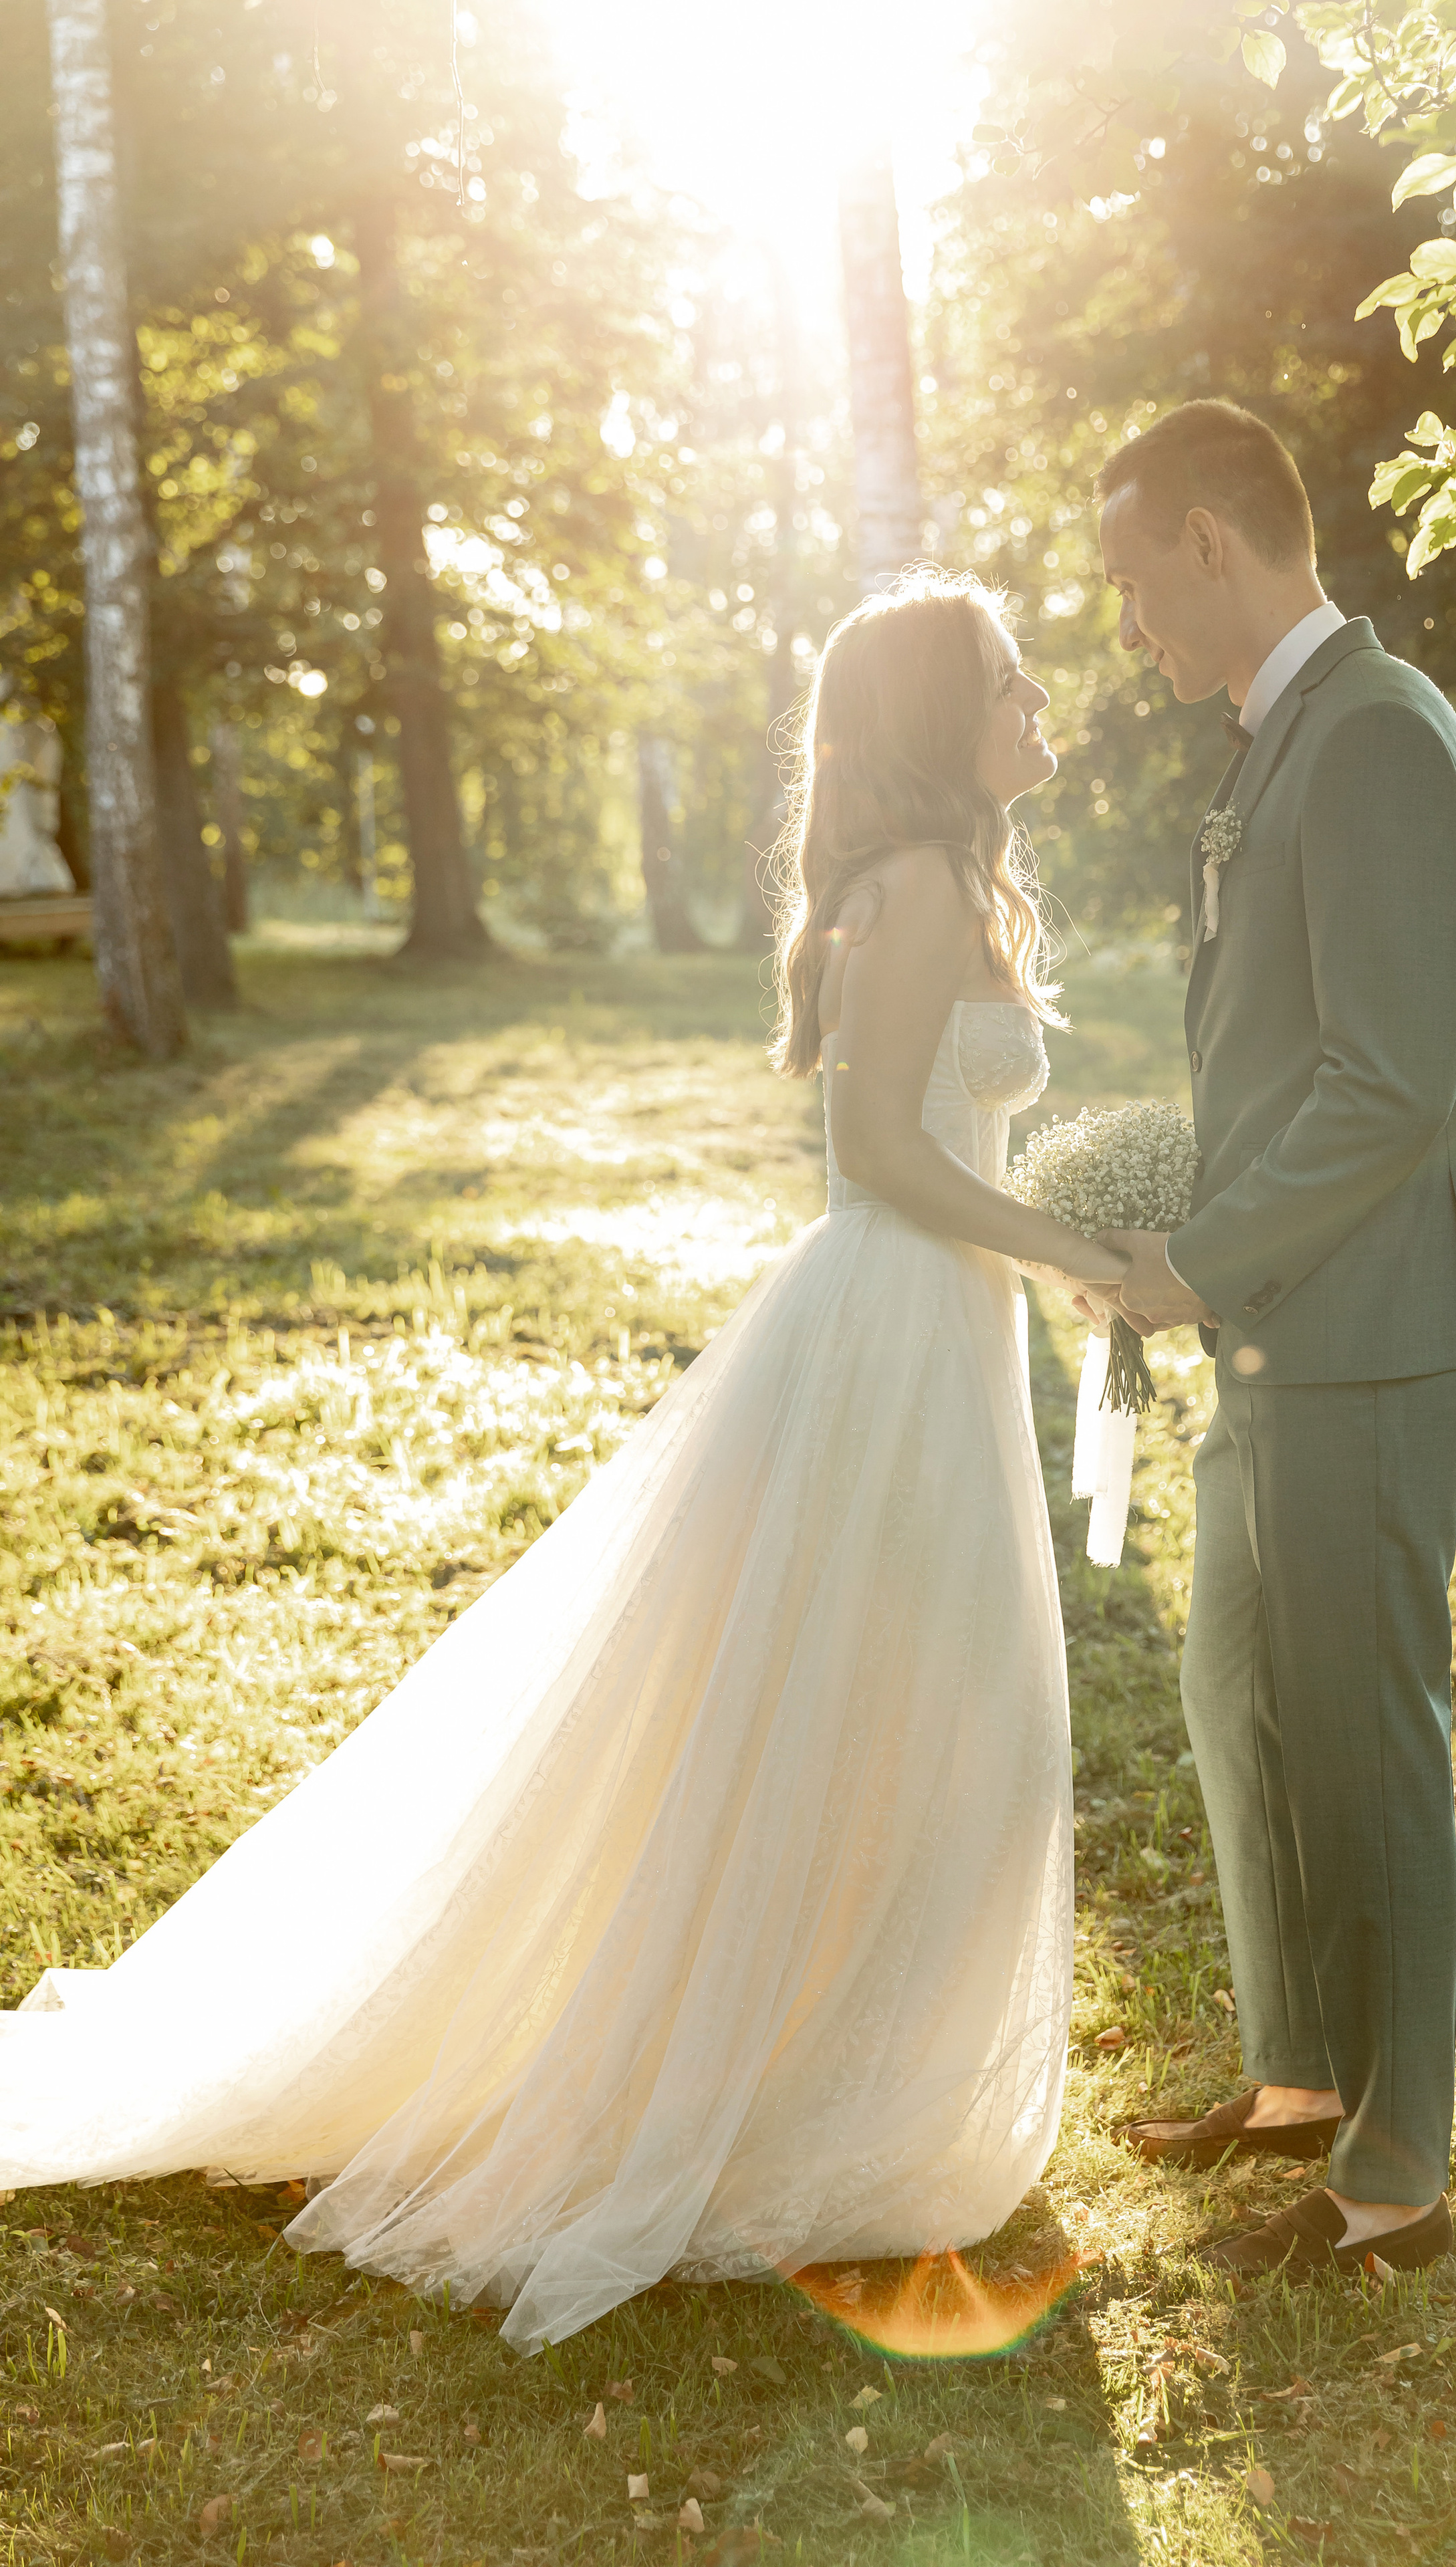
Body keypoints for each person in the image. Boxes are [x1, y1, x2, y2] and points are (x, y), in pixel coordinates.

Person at [0, 569, 1130, 2354]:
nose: (1039, 696)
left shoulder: (952, 882)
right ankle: (795, 2088)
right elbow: (885, 1163)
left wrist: (1045, 1253)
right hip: (891, 1327)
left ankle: (844, 2065)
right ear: (936, 717)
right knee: (903, 1709)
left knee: (936, 1716)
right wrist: (1066, 1252)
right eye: (1008, 676)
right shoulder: (911, 888)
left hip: (941, 1329)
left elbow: (936, 1143)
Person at [1088, 401, 1456, 2279]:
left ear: (1208, 540)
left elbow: (1393, 1083)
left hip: (1369, 1322)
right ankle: (1295, 2077)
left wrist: (1198, 1255)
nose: (1127, 627)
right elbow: (1279, 1049)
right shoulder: (1286, 743)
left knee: (1359, 1730)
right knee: (1239, 1696)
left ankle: (1397, 2175)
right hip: (1277, 1319)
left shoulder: (1371, 740)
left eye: (1129, 581)